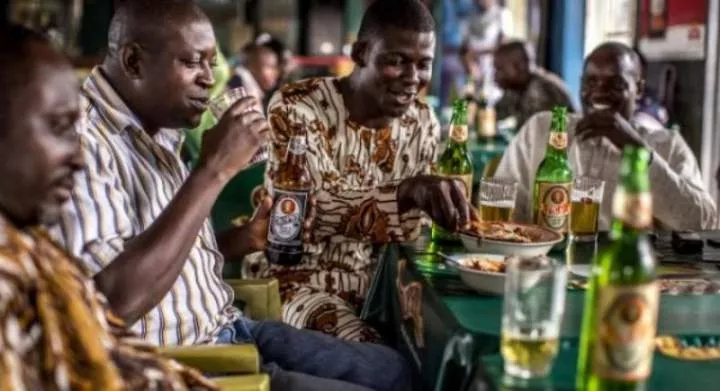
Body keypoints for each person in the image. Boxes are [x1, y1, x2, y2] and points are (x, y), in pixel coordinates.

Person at [48, 1, 410, 390]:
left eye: (211, 62)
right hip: (189, 363)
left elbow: (167, 256)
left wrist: (239, 241)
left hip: (229, 326)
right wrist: (213, 170)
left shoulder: (159, 126)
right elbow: (108, 306)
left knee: (396, 370)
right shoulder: (81, 146)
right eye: (193, 63)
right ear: (134, 61)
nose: (209, 78)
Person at [0, 23, 217, 391]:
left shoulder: (33, 248)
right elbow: (119, 303)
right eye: (58, 127)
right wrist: (213, 171)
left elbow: (110, 345)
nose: (79, 158)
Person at [245, 0, 476, 342]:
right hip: (300, 281)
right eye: (397, 61)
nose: (413, 79)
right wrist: (406, 193)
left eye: (424, 65)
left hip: (385, 287)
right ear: (361, 53)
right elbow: (304, 212)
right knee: (377, 353)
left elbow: (417, 230)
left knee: (452, 340)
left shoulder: (422, 120)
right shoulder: (298, 105)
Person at [494, 42, 717, 230]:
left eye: (616, 84)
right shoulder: (542, 130)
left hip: (625, 274)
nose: (599, 91)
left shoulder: (666, 145)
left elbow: (702, 222)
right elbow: (505, 208)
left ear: (638, 89)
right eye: (591, 82)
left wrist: (636, 150)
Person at [493, 40, 576, 130]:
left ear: (519, 67)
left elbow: (558, 139)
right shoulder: (517, 87)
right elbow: (495, 114)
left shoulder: (545, 92)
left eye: (500, 69)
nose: (495, 75)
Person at [228, 33, 286, 109]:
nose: (275, 73)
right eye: (270, 67)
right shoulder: (240, 86)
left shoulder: (253, 88)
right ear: (253, 66)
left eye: (275, 68)